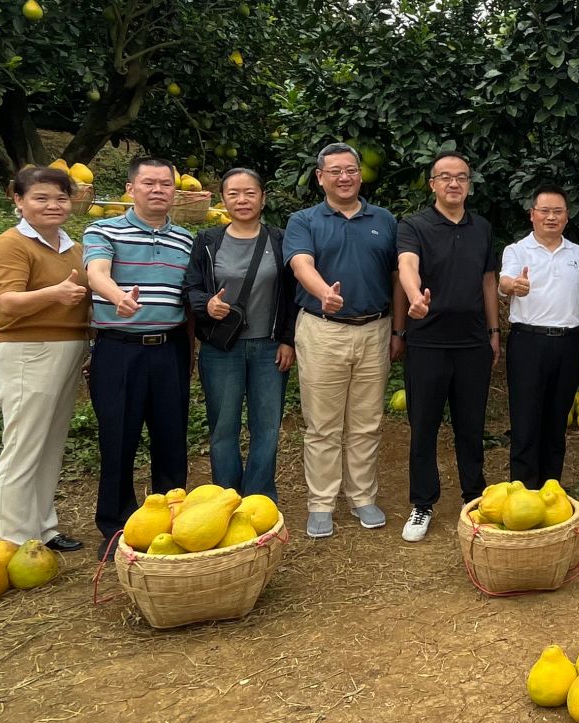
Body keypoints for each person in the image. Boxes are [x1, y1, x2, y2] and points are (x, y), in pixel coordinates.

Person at [285, 142, 403, 538]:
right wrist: (324, 292)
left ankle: (362, 497)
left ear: (360, 174)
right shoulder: (304, 220)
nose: (344, 177)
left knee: (367, 422)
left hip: (375, 329)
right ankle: (321, 503)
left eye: (351, 169)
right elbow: (300, 264)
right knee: (322, 424)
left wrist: (398, 329)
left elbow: (396, 277)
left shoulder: (383, 219)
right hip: (323, 330)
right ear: (320, 177)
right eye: (335, 171)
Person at [84, 156, 194, 549]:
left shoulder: (187, 239)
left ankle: (173, 525)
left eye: (166, 184)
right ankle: (117, 527)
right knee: (118, 439)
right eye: (149, 183)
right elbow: (96, 272)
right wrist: (118, 297)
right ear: (131, 189)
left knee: (171, 439)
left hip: (169, 350)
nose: (158, 190)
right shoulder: (103, 230)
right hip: (119, 351)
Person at [0, 164, 90, 552]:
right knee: (23, 446)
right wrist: (54, 294)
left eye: (61, 198)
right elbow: (7, 302)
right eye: (40, 198)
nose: (53, 205)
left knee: (49, 445)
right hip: (28, 351)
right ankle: (13, 542)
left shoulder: (73, 248)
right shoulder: (11, 244)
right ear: (19, 200)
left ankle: (43, 529)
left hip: (69, 349)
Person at [396, 152, 501, 541]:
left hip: (472, 342)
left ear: (469, 184)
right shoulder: (414, 226)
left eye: (461, 177)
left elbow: (488, 281)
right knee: (423, 426)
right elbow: (407, 266)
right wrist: (415, 298)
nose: (453, 183)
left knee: (471, 427)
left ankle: (474, 499)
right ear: (432, 184)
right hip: (427, 342)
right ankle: (422, 502)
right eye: (445, 177)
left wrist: (494, 330)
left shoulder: (481, 227)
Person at [184, 168, 297, 501]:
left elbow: (293, 294)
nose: (242, 200)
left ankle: (259, 498)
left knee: (267, 427)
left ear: (263, 198)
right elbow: (190, 287)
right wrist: (207, 304)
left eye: (250, 192)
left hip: (269, 348)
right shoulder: (207, 241)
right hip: (221, 349)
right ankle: (226, 498)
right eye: (233, 193)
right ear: (223, 199)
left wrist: (288, 339)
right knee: (223, 427)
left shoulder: (280, 240)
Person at [498, 187, 579, 487]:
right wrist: (513, 286)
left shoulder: (577, 254)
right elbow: (504, 282)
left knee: (557, 422)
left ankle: (550, 489)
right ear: (532, 215)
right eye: (544, 211)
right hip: (528, 343)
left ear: (567, 217)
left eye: (558, 211)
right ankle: (523, 490)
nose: (551, 217)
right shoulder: (517, 250)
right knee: (525, 421)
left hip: (568, 344)